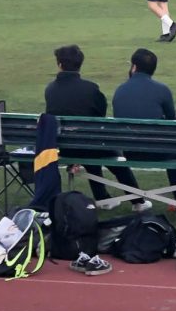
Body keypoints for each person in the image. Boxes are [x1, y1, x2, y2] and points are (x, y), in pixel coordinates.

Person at [44, 44, 151, 212]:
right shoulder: (90, 88)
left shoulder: (50, 89)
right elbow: (100, 116)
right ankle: (137, 200)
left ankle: (103, 197)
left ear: (59, 65)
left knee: (90, 145)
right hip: (86, 144)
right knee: (108, 154)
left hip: (65, 147)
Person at [112, 48, 176, 215]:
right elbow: (173, 122)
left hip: (129, 151)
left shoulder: (120, 90)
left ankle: (136, 200)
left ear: (134, 67)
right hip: (158, 151)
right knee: (175, 148)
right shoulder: (161, 90)